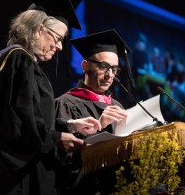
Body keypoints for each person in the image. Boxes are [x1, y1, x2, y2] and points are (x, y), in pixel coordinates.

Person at [0, 0, 101, 195]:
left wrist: (69, 124)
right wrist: (56, 138)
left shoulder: (6, 58)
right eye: (58, 38)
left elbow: (27, 114)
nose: (59, 47)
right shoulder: (20, 60)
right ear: (39, 30)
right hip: (14, 179)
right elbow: (17, 123)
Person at [55, 29, 131, 195]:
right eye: (104, 67)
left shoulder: (116, 105)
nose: (109, 76)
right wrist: (100, 127)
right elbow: (62, 159)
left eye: (115, 69)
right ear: (85, 66)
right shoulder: (66, 103)